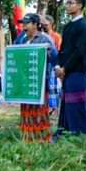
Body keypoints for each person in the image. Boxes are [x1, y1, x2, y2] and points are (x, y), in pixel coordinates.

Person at [55, 0, 86, 137]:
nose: (67, 5)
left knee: (77, 103)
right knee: (66, 103)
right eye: (67, 2)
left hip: (78, 71)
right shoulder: (67, 27)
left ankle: (80, 134)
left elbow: (79, 51)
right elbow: (63, 49)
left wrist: (65, 68)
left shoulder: (85, 26)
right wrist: (58, 66)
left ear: (80, 5)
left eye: (70, 3)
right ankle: (64, 131)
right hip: (65, 72)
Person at [15, 13, 58, 142]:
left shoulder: (45, 39)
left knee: (39, 110)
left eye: (26, 23)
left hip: (40, 82)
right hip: (25, 82)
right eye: (23, 23)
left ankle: (42, 138)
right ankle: (28, 136)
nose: (24, 26)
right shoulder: (22, 40)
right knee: (26, 108)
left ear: (35, 24)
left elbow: (55, 58)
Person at [41, 15, 62, 113]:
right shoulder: (40, 36)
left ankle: (53, 106)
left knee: (52, 85)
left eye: (46, 24)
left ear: (51, 25)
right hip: (43, 64)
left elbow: (58, 51)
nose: (44, 26)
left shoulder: (56, 36)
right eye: (43, 24)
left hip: (53, 64)